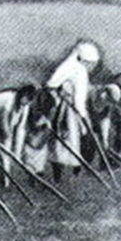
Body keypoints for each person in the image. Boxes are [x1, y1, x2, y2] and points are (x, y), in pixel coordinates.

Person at [46, 40, 100, 180]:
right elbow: (79, 100)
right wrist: (83, 117)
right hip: (70, 111)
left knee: (60, 142)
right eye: (92, 64)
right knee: (73, 140)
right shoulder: (80, 71)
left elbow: (51, 85)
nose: (92, 67)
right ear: (86, 61)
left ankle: (60, 174)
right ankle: (74, 173)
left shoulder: (68, 65)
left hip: (60, 108)